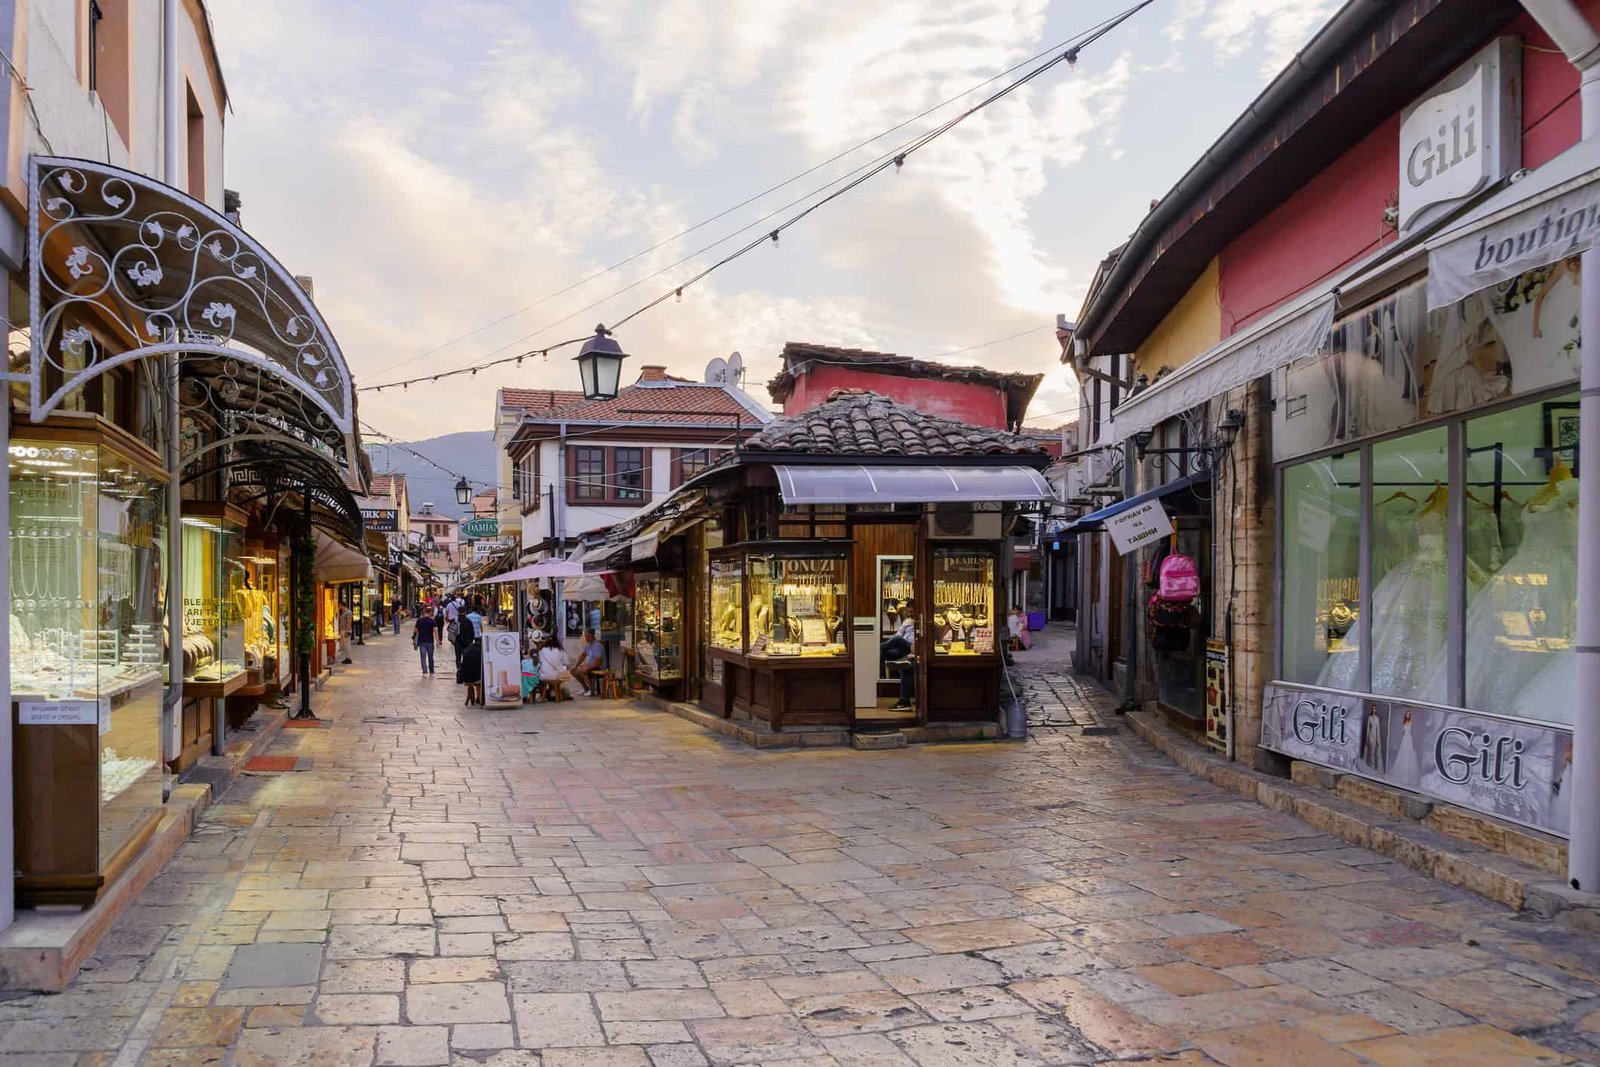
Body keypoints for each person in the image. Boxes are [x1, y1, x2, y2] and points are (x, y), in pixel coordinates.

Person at [879, 599, 916, 712]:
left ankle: (879, 647)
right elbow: (897, 635)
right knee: (886, 652)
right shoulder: (907, 622)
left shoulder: (922, 623)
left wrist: (916, 647)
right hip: (904, 649)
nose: (910, 614)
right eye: (909, 612)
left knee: (898, 640)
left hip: (913, 649)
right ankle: (884, 658)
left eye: (912, 612)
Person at [538, 636, 575, 700]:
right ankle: (556, 694)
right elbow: (567, 663)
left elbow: (540, 662)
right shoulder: (560, 650)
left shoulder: (542, 650)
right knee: (563, 669)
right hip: (557, 676)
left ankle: (549, 693)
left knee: (547, 671)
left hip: (543, 676)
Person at [571, 629, 604, 695]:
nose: (587, 638)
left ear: (593, 636)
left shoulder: (598, 645)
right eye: (586, 636)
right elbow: (583, 656)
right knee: (573, 670)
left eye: (589, 636)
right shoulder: (587, 645)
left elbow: (598, 662)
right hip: (590, 665)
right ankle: (585, 688)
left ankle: (592, 690)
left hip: (598, 667)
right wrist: (576, 665)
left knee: (584, 670)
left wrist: (587, 667)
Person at [414, 607, 438, 675]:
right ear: (430, 612)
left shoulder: (419, 620)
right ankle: (431, 670)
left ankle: (424, 671)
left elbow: (415, 630)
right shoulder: (432, 621)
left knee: (423, 657)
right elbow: (436, 631)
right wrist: (437, 641)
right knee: (430, 657)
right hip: (430, 641)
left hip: (422, 641)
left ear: (424, 612)